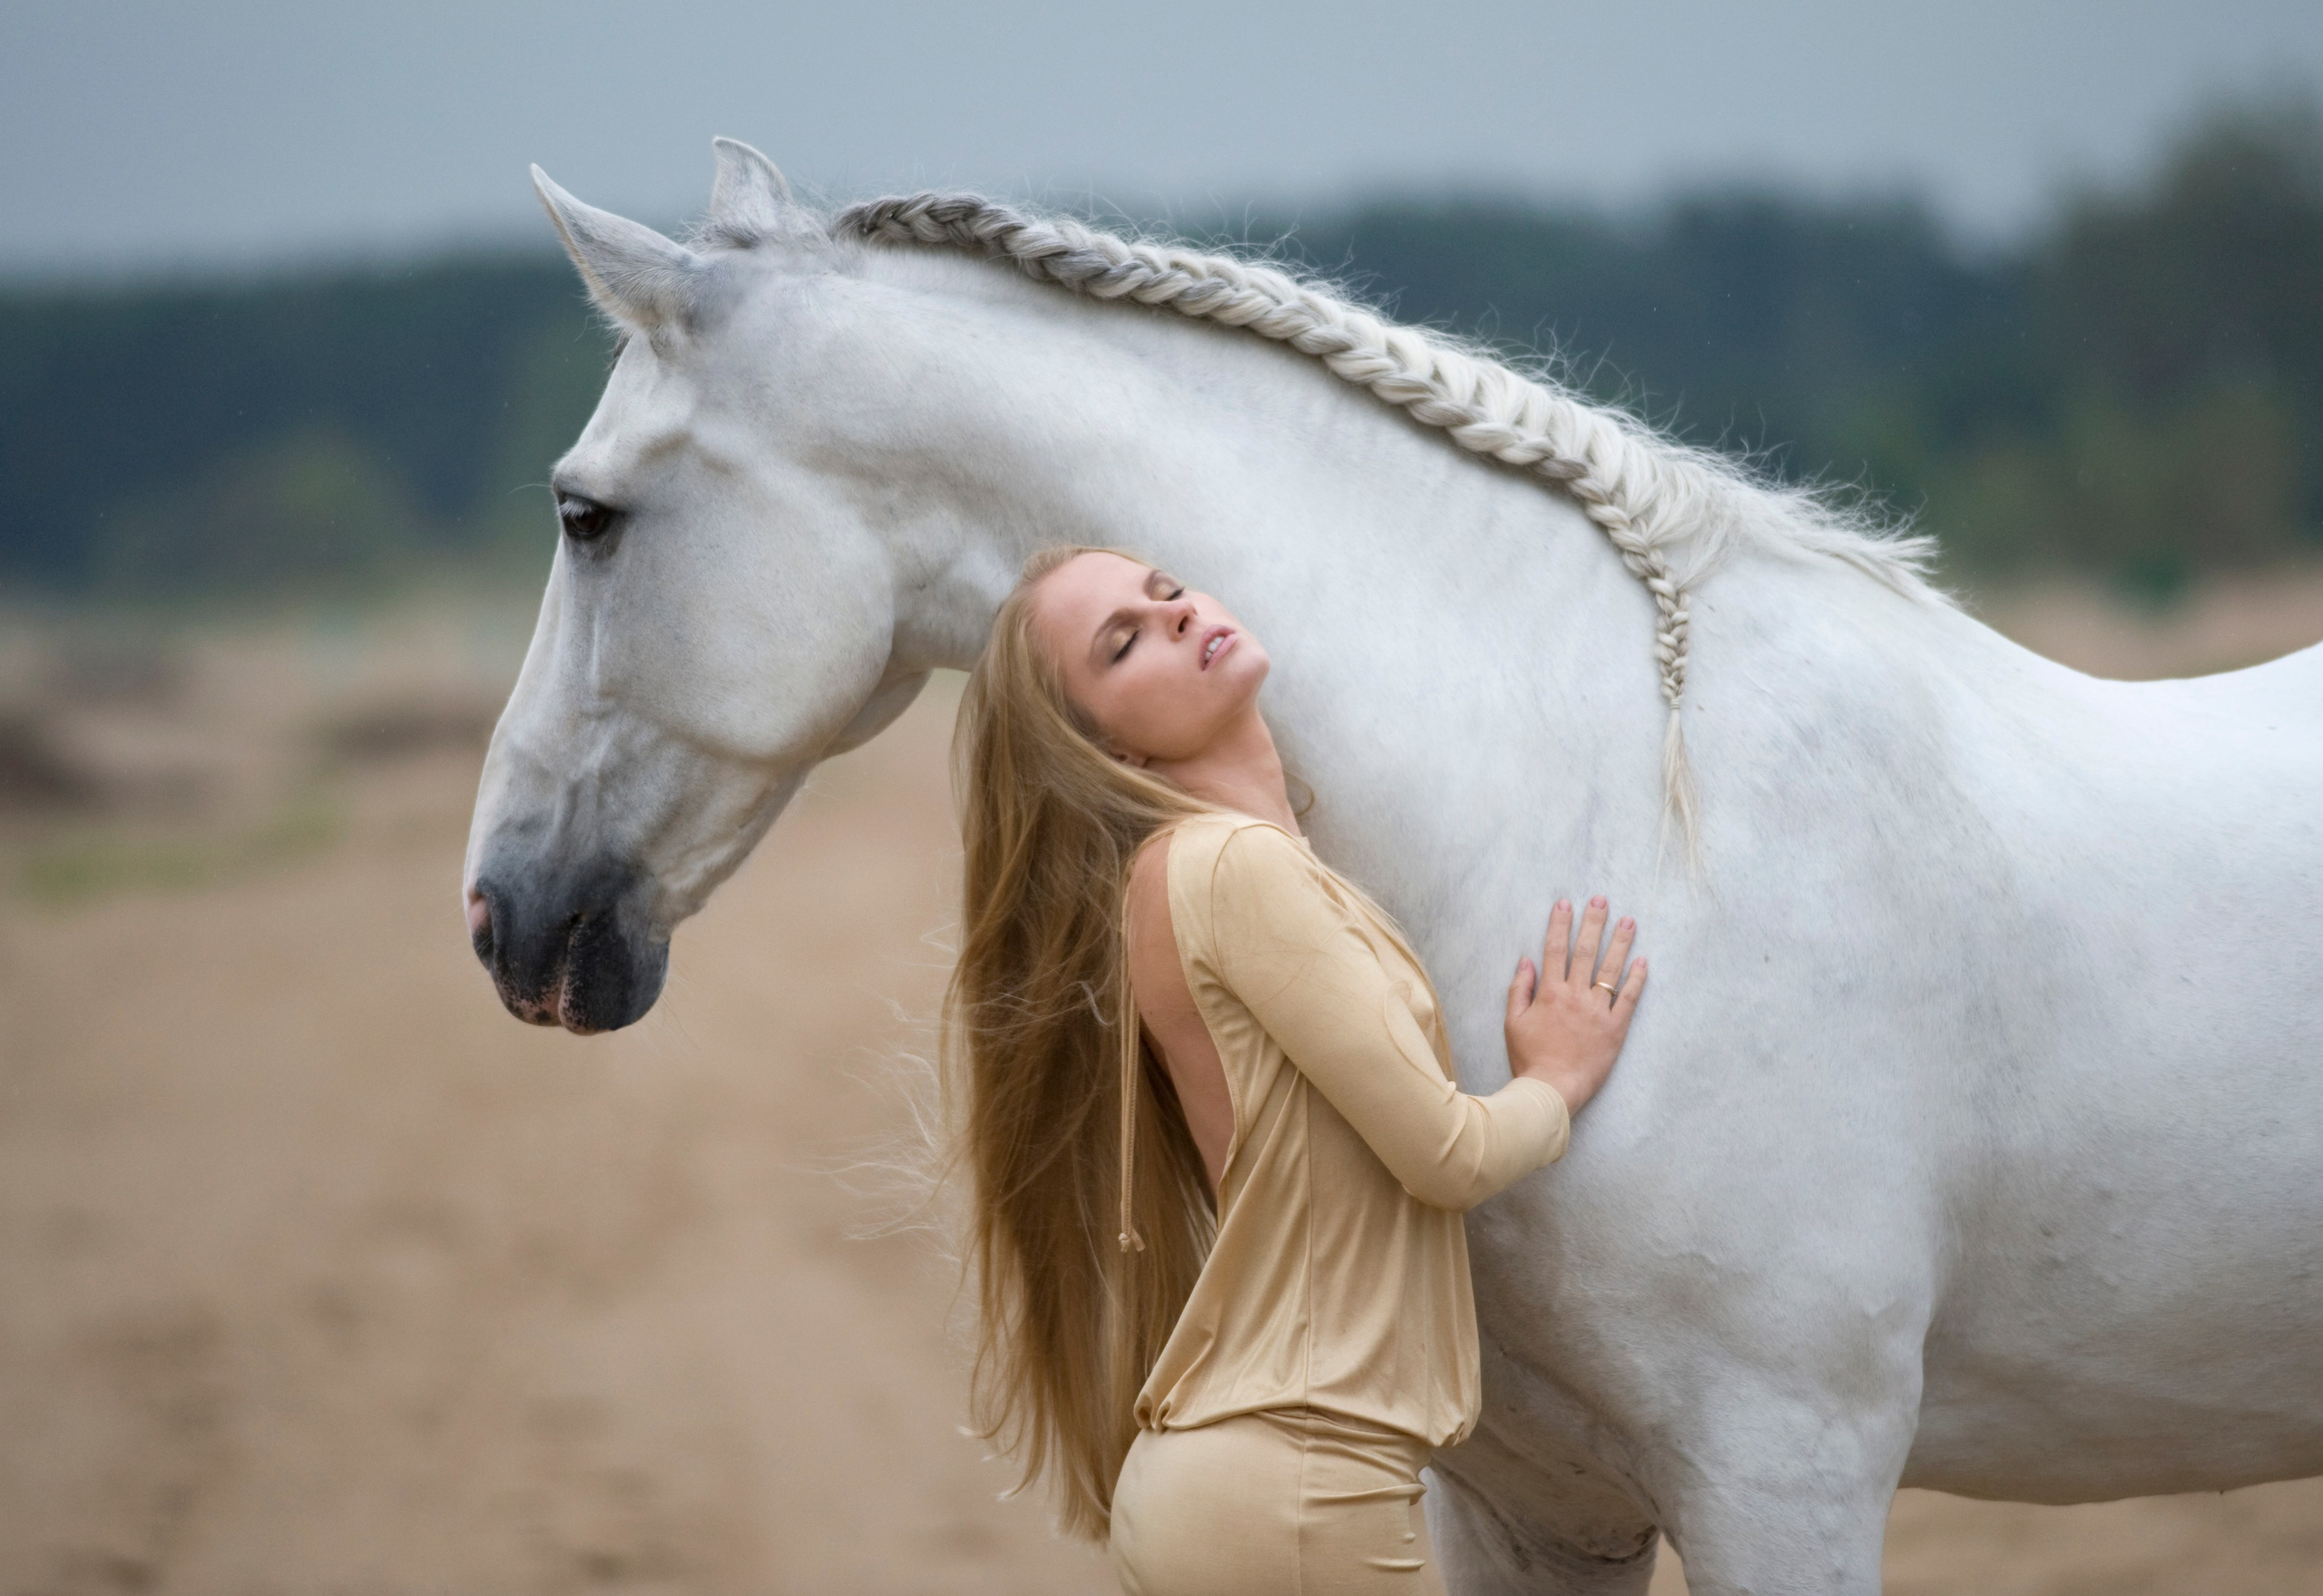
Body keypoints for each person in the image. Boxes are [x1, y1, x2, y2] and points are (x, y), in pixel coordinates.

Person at [944, 545, 1646, 1595]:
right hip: (1299, 1491)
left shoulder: (1188, 873)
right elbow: (1445, 1154)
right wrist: (1558, 1074)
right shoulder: (1232, 868)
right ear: (1099, 747)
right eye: (1121, 642)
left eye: (1164, 591)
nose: (1172, 617)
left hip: (1245, 1483)